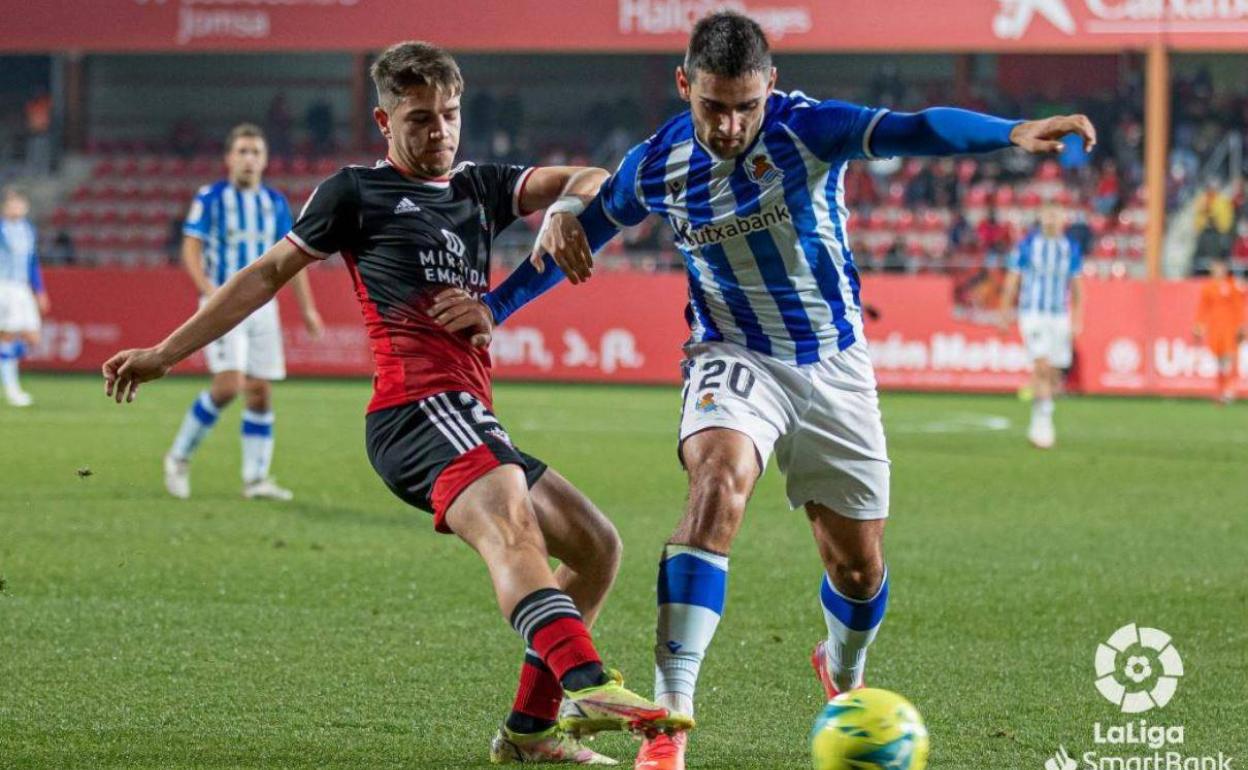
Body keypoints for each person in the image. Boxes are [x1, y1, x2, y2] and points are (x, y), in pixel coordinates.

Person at [450, 12, 1096, 769]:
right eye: (714, 106)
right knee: (718, 483)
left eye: (746, 106)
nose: (730, 125)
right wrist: (493, 308)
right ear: (684, 85)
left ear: (771, 90)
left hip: (834, 364)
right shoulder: (657, 164)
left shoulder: (807, 130)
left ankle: (842, 672)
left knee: (857, 568)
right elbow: (577, 240)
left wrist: (1011, 132)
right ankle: (669, 721)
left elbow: (916, 129)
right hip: (732, 354)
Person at [103, 40, 691, 766]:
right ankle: (588, 680)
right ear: (385, 122)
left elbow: (595, 175)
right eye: (419, 119)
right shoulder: (354, 192)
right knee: (512, 525)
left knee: (598, 547)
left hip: (466, 411)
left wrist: (566, 209)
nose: (439, 131)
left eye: (449, 115)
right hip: (416, 409)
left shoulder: (481, 185)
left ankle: (530, 733)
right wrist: (166, 351)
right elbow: (265, 275)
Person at [162, 123, 324, 501]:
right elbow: (191, 249)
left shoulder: (275, 203)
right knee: (227, 386)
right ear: (229, 158)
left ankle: (255, 479)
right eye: (242, 152)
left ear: (265, 160)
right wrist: (208, 293)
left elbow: (293, 259)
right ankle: (179, 457)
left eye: (256, 152)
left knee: (260, 392)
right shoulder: (211, 197)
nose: (249, 159)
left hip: (263, 310)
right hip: (221, 306)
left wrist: (308, 310)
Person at [1001, 203, 1084, 449]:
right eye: (1048, 215)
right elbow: (1012, 279)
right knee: (1041, 365)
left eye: (1056, 215)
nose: (1051, 220)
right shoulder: (1027, 245)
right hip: (1033, 313)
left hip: (1059, 316)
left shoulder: (1070, 248)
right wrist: (1005, 310)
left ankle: (1043, 413)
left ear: (1064, 220)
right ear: (1040, 218)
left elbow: (1078, 287)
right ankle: (1042, 425)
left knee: (1055, 372)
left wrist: (1078, 318)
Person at [0, 188, 50, 407]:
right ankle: (12, 390)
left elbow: (32, 263)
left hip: (22, 288)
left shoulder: (28, 230)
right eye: (12, 204)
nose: (17, 207)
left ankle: (10, 378)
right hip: (4, 286)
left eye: (20, 203)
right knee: (7, 336)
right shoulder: (1, 229)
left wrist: (39, 290)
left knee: (33, 337)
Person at [1193, 256, 1245, 405]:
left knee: (1229, 359)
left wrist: (1241, 325)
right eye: (1215, 267)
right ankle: (1221, 390)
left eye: (1220, 267)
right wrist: (1199, 324)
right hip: (1215, 328)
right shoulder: (1208, 287)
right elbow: (1203, 308)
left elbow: (1238, 307)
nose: (1218, 270)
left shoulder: (1232, 285)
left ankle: (1229, 391)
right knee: (1219, 361)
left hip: (1229, 327)